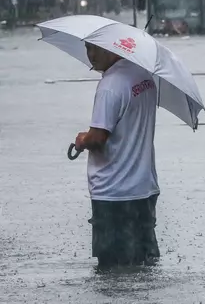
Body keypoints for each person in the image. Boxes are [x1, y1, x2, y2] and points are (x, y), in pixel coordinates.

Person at [72, 42, 161, 269]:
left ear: (113, 48)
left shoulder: (110, 86)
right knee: (143, 266)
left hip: (114, 194)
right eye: (88, 48)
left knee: (112, 274)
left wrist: (83, 140)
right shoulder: (144, 78)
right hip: (144, 189)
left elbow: (98, 138)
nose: (91, 55)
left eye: (96, 49)